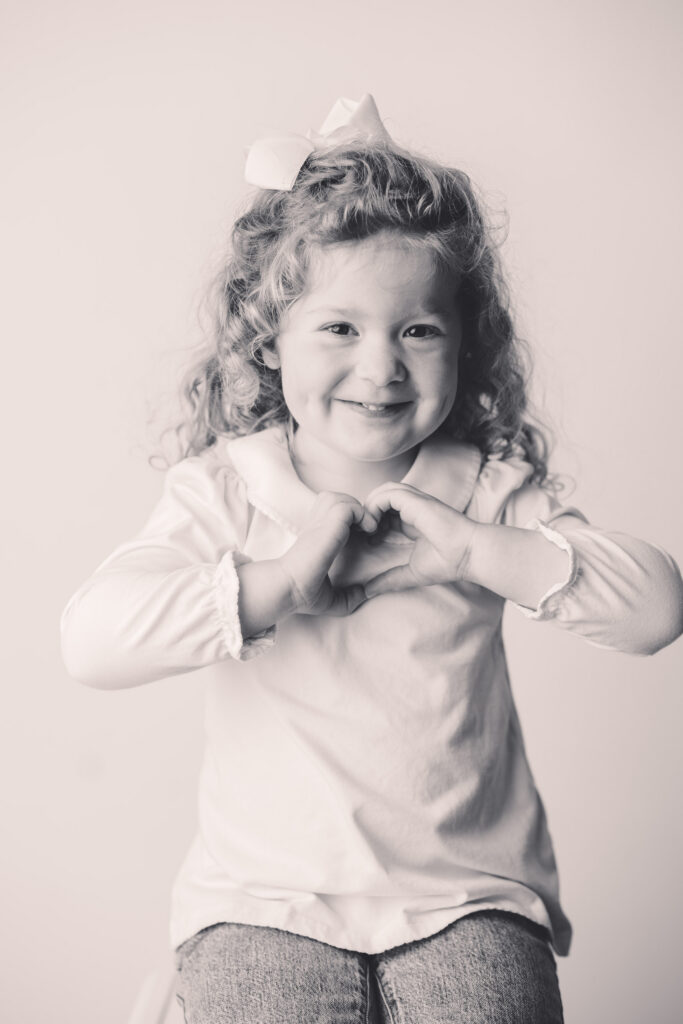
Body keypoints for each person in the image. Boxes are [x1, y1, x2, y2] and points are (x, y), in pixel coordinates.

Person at [61, 95, 683, 1023]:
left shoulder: (481, 491)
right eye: (339, 328)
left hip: (469, 899)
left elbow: (655, 610)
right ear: (269, 341)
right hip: (261, 901)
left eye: (418, 330)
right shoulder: (231, 487)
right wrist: (276, 585)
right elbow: (92, 642)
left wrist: (477, 549)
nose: (382, 366)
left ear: (466, 344)